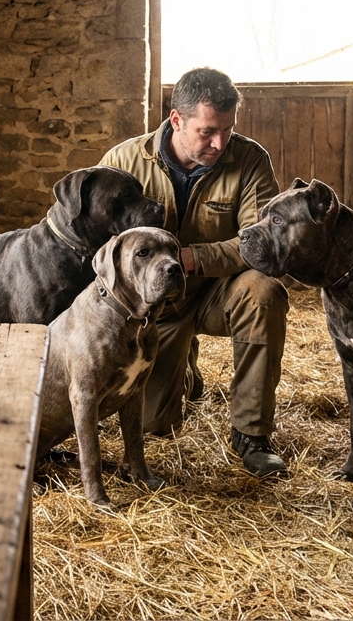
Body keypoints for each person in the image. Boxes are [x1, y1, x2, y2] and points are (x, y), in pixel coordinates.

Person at [98, 66, 290, 477]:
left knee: (264, 292)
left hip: (214, 291)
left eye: (227, 129)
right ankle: (185, 370)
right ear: (177, 120)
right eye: (207, 131)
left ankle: (251, 436)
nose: (220, 143)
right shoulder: (123, 161)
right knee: (155, 428)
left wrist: (193, 259)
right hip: (153, 309)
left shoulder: (251, 159)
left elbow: (261, 242)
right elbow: (102, 245)